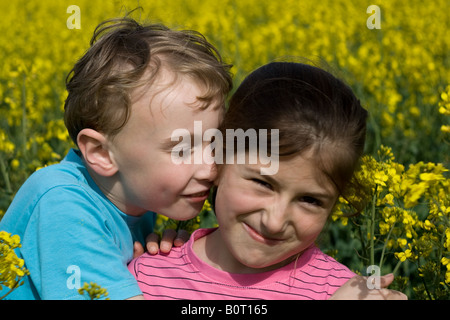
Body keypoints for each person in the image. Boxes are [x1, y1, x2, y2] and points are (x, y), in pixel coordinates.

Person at [129, 61, 407, 300]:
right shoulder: (144, 277)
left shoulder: (346, 293)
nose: (274, 222)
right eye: (263, 184)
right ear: (217, 160)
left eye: (310, 200)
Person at [0, 17, 232, 300]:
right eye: (182, 149)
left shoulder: (135, 199)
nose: (211, 169)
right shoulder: (62, 204)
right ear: (101, 153)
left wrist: (168, 266)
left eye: (215, 142)